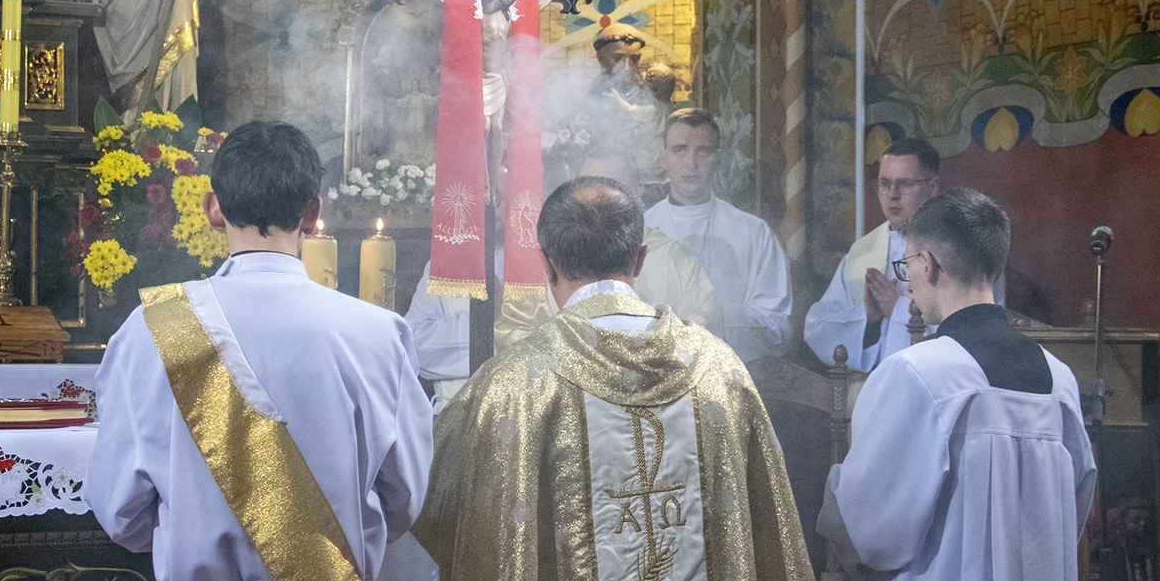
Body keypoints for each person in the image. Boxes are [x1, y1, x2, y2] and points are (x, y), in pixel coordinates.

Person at [416, 177, 849, 581]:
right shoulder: (721, 374)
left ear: (547, 262)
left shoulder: (515, 387)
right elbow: (773, 542)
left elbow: (435, 502)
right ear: (640, 258)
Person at [87, 120, 432, 581]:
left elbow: (120, 512)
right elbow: (405, 499)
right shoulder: (375, 335)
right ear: (313, 210)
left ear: (214, 208)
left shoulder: (154, 332)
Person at [818, 188, 1095, 581]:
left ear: (928, 264)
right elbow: (1074, 510)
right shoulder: (1059, 380)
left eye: (908, 265)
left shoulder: (917, 374)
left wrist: (833, 502)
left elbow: (870, 529)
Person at [404, 145, 638, 410]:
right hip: (457, 410)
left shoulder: (561, 259)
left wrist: (496, 328)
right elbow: (415, 349)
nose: (495, 205)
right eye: (488, 195)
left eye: (507, 196)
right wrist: (487, 317)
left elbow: (570, 346)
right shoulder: (445, 265)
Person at [805, 136, 1004, 372]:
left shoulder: (962, 242)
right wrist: (868, 317)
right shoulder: (862, 252)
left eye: (905, 184)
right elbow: (818, 328)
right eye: (884, 183)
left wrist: (897, 310)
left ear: (932, 187)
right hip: (873, 381)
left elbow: (977, 324)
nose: (892, 194)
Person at [637, 107, 794, 365]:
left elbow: (778, 329)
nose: (691, 164)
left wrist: (726, 316)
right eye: (679, 150)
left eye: (703, 151)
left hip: (733, 370)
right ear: (663, 157)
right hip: (655, 370)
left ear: (718, 158)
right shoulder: (641, 230)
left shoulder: (753, 233)